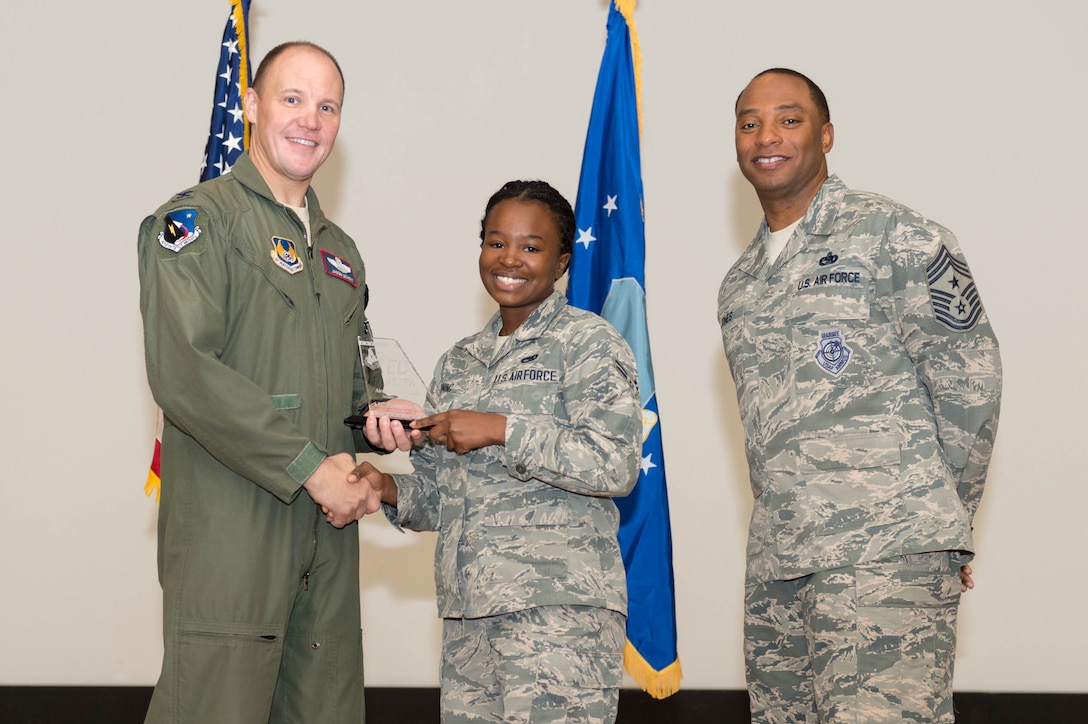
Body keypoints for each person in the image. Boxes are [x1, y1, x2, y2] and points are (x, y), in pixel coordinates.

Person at [718, 68, 1002, 723]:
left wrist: (938, 523)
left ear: (827, 134)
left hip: (885, 553)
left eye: (789, 119)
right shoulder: (740, 283)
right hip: (780, 567)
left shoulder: (893, 234)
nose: (768, 135)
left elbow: (971, 382)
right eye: (749, 122)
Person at [138, 41, 411, 723]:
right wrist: (307, 467)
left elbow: (356, 383)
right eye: (292, 99)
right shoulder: (197, 223)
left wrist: (382, 419)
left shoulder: (340, 252)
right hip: (236, 528)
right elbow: (187, 373)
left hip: (328, 534)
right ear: (253, 105)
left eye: (328, 107)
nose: (310, 120)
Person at [351, 180, 642, 723]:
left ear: (561, 262)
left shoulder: (588, 343)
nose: (510, 258)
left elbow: (615, 463)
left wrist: (502, 428)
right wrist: (385, 487)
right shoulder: (458, 361)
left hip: (558, 611)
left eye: (531, 247)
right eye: (495, 241)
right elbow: (441, 500)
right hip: (469, 616)